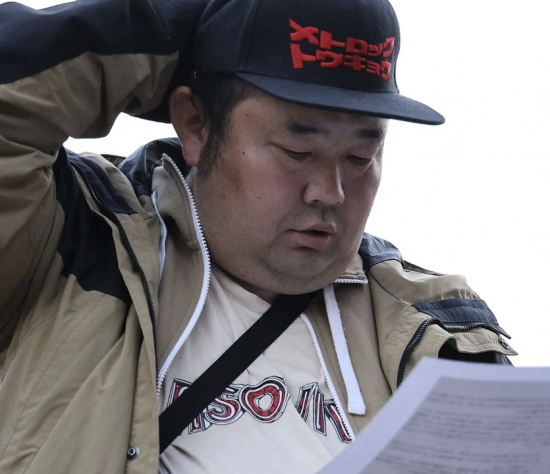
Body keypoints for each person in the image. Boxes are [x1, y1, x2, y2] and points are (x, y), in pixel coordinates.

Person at [0, 0, 517, 473]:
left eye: (361, 157)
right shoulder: (70, 239)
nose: (330, 191)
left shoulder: (436, 331)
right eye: (297, 151)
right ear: (196, 125)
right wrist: (185, 21)